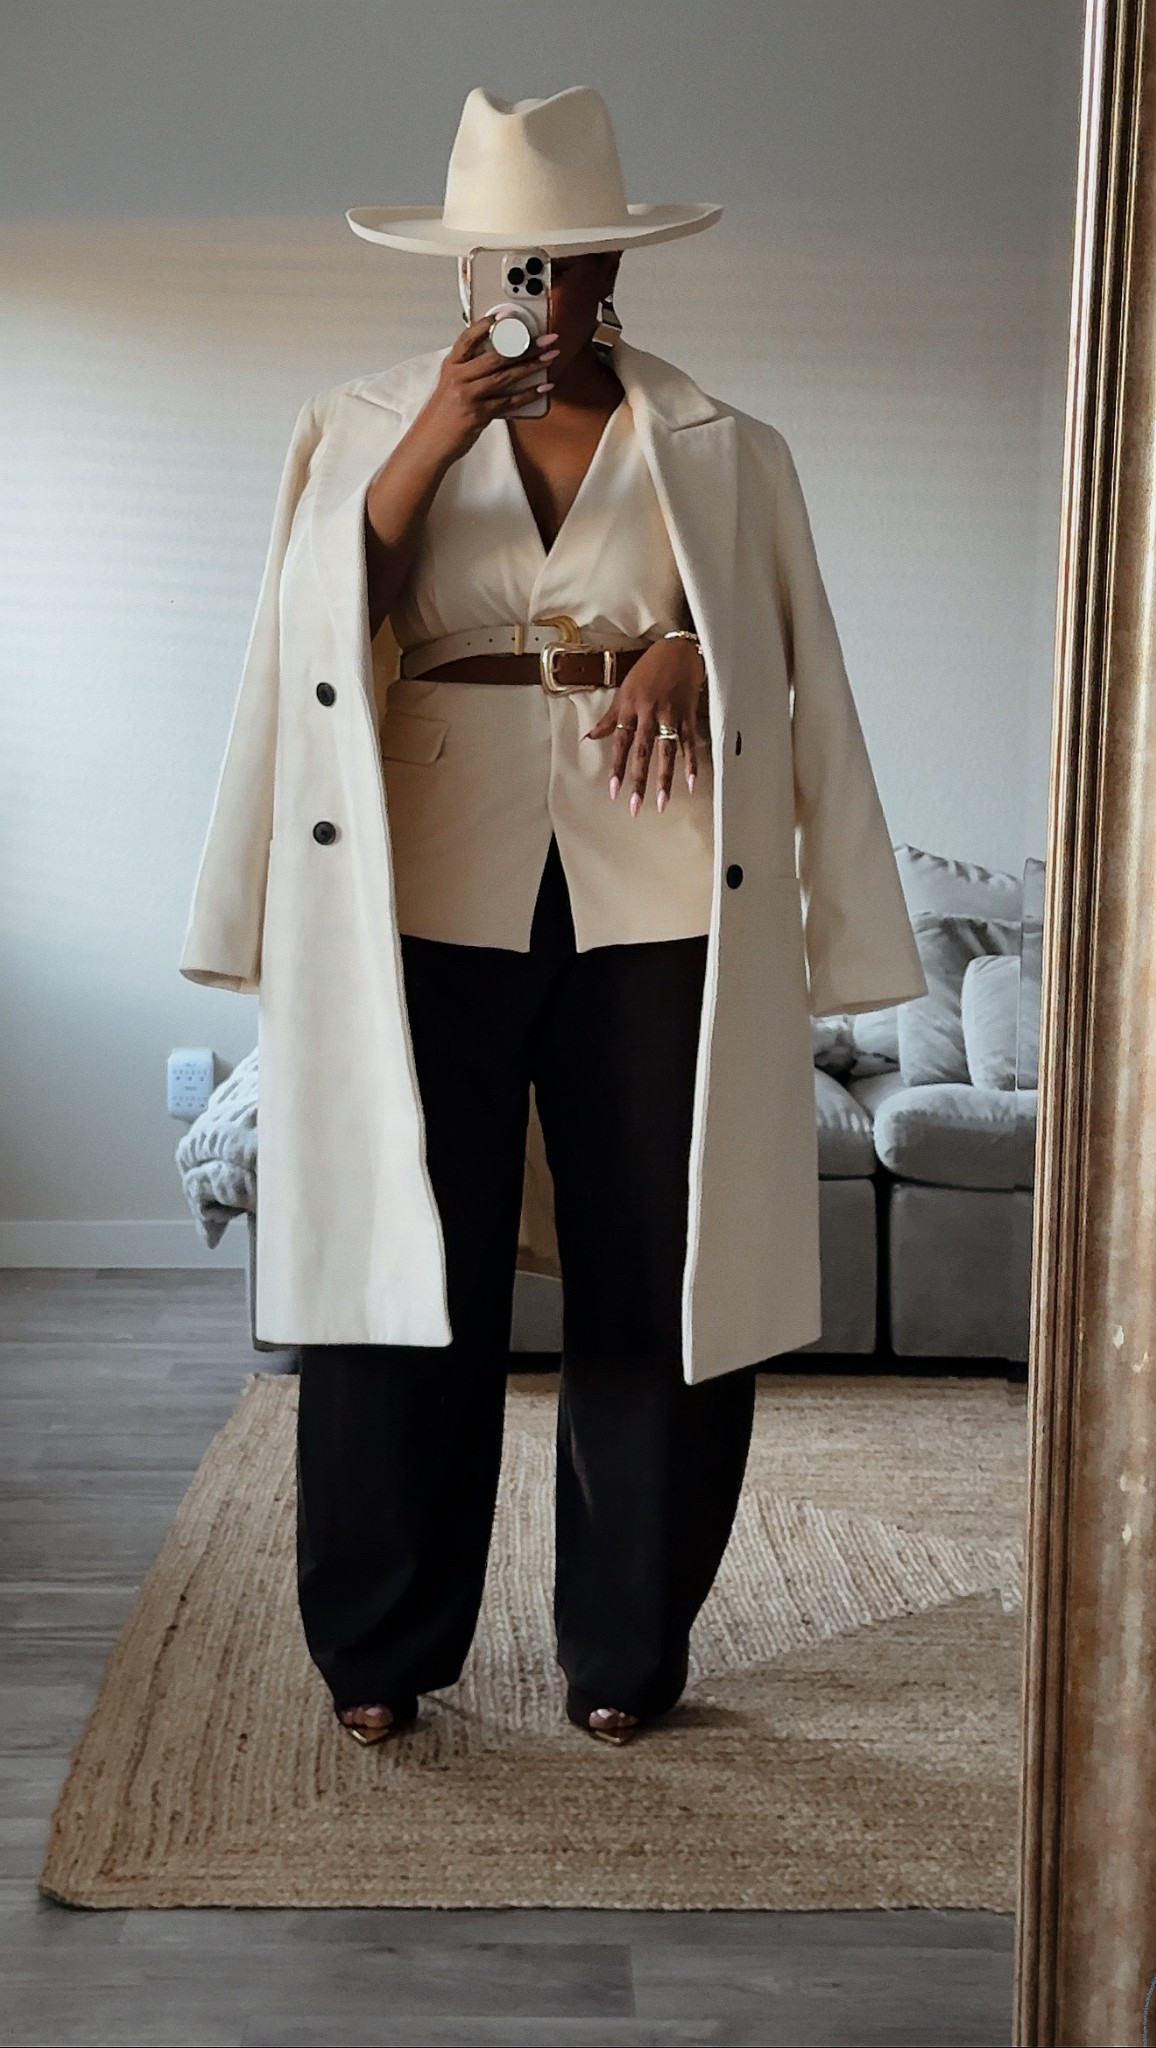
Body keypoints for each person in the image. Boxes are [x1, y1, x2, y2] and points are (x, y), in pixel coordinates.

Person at [178, 85, 929, 1754]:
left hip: (661, 874)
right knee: (401, 1261)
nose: (531, 283)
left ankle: (626, 1651)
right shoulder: (358, 420)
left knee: (658, 1268)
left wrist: (691, 646)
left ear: (609, 266)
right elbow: (310, 633)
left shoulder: (723, 443)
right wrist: (435, 438)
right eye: (502, 257)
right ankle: (379, 1646)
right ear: (460, 267)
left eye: (562, 257)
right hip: (420, 874)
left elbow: (794, 652)